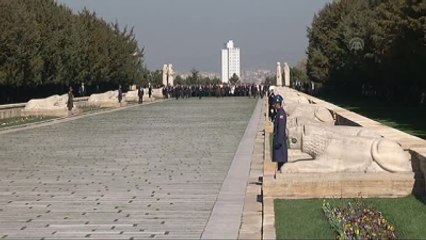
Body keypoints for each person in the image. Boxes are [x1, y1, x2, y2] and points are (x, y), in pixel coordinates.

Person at [272, 95, 287, 178]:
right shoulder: (278, 112)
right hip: (278, 141)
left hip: (280, 143)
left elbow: (281, 130)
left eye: (274, 103)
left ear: (278, 104)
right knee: (279, 162)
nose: (273, 105)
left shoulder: (281, 114)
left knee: (281, 162)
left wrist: (279, 142)